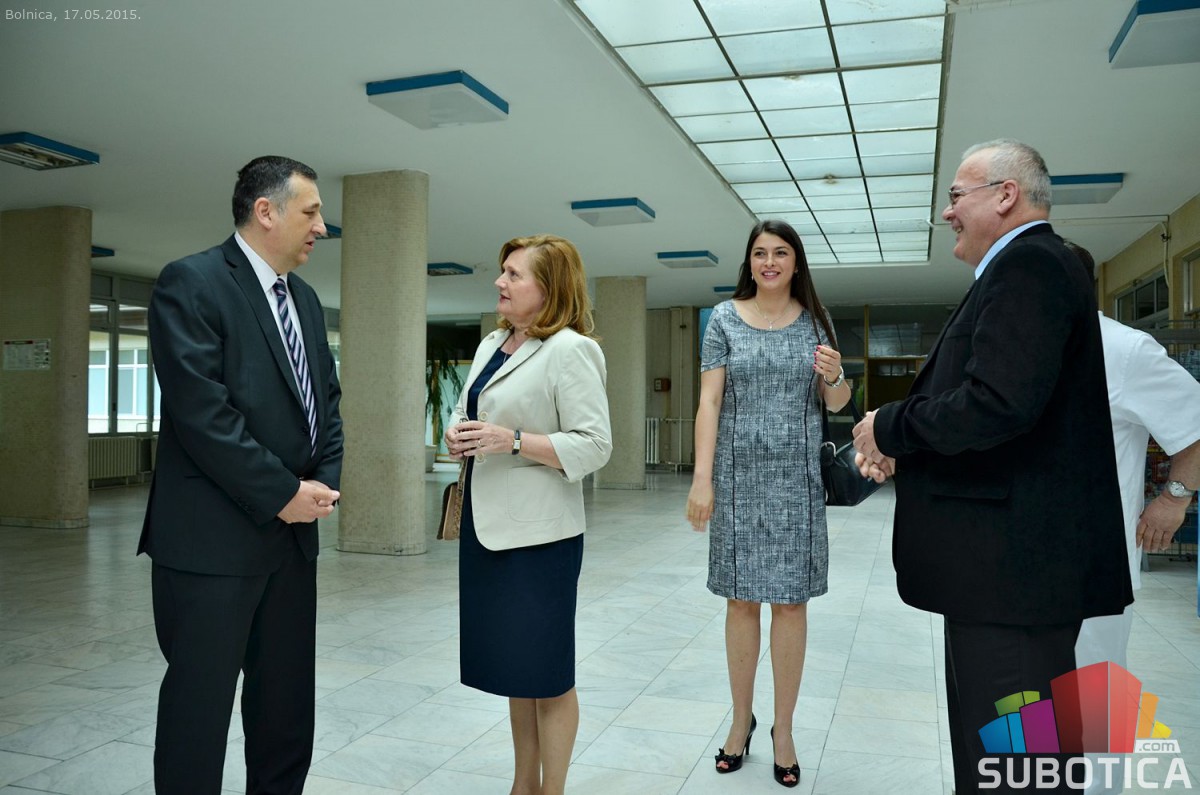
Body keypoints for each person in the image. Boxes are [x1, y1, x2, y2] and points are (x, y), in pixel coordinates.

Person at [852, 140, 1132, 794]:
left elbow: (996, 403)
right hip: (1006, 583)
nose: (947, 212)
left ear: (1006, 195)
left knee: (1014, 775)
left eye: (956, 196)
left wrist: (889, 425)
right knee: (1004, 765)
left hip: (1014, 584)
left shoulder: (1028, 265)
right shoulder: (1026, 268)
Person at [139, 156, 344, 794]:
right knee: (198, 712)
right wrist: (283, 492)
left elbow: (326, 405)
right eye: (311, 212)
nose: (322, 227)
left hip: (292, 544)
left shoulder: (305, 299)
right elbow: (203, 415)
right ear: (266, 212)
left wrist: (320, 486)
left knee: (286, 711)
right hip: (211, 548)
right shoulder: (193, 283)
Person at [444, 234, 611, 795]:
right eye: (503, 271)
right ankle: (523, 785)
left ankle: (551, 789)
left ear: (549, 288)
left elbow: (595, 445)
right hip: (485, 530)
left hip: (541, 539)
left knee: (548, 673)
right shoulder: (493, 342)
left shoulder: (571, 350)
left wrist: (512, 440)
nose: (500, 281)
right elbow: (469, 411)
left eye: (514, 274)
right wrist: (459, 435)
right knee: (518, 669)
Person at [686, 219, 850, 788]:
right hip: (736, 481)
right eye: (760, 253)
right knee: (740, 603)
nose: (770, 262)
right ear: (749, 263)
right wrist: (701, 479)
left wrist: (836, 376)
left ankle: (784, 729)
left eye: (781, 252)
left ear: (796, 262)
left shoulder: (817, 322)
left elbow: (837, 401)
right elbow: (709, 402)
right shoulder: (724, 319)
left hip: (796, 482)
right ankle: (740, 722)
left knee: (791, 605)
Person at [1066, 242, 1200, 795]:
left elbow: (1197, 427)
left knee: (1095, 693)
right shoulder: (1020, 347)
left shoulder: (1124, 349)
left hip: (1095, 566)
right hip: (1020, 567)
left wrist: (1174, 498)